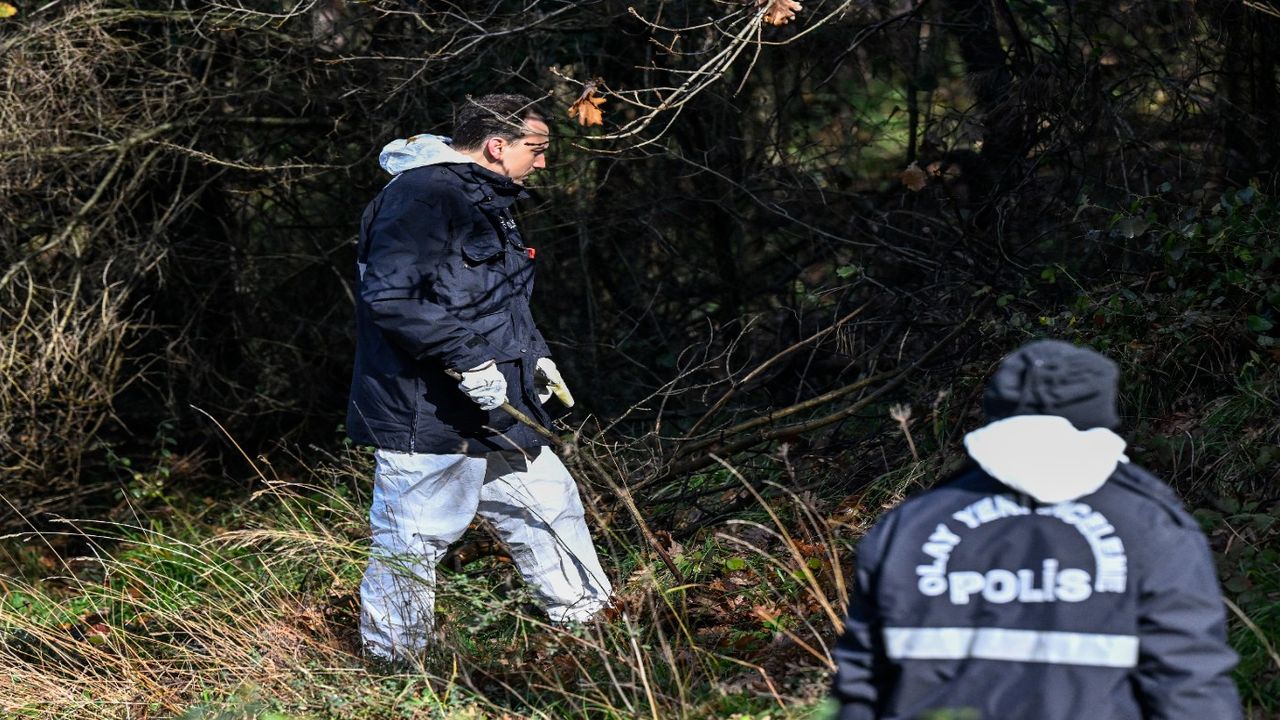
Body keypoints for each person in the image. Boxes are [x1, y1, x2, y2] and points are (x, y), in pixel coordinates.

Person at [830, 339, 1242, 719]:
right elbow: (1190, 682)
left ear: (995, 409)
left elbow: (860, 683)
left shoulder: (910, 524)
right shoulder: (1151, 525)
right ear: (1101, 413)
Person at [347, 93, 612, 662]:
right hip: (427, 411)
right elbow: (394, 299)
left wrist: (534, 359)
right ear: (497, 146)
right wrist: (466, 359)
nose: (541, 162)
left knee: (551, 505)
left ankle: (598, 635)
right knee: (413, 538)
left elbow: (498, 303)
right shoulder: (421, 198)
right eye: (535, 149)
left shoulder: (481, 198)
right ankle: (393, 667)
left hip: (498, 407)